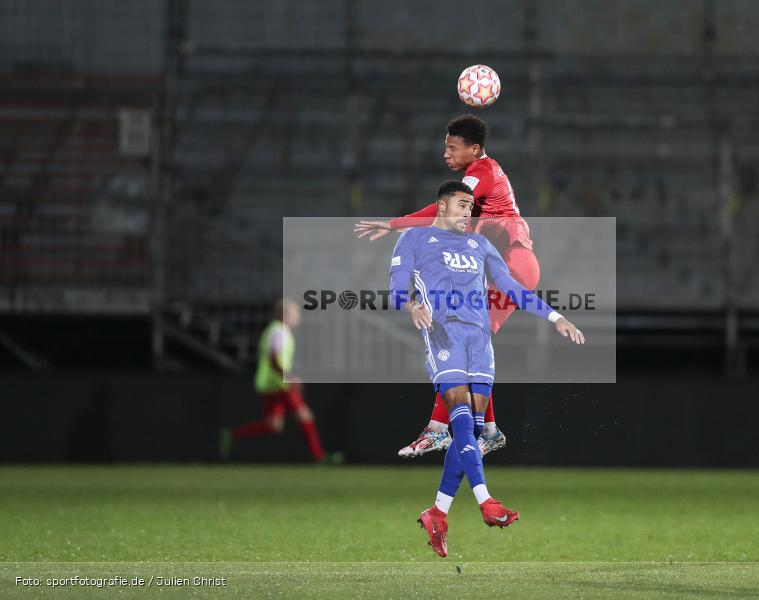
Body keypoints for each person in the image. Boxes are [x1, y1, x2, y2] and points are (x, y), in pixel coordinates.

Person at [389, 181, 584, 557]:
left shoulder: (479, 245)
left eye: (472, 207)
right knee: (461, 416)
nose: (469, 213)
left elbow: (510, 284)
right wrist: (413, 306)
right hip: (443, 334)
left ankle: (437, 513)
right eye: (462, 205)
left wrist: (554, 316)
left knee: (473, 431)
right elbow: (397, 287)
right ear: (442, 206)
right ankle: (486, 501)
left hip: (479, 342)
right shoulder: (414, 240)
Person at [356, 114, 540, 457]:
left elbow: (444, 211)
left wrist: (396, 224)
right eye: (445, 147)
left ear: (474, 149)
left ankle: (439, 430)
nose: (446, 154)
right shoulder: (483, 173)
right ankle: (488, 430)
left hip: (513, 265)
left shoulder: (480, 175)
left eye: (453, 147)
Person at [219, 299, 338, 464]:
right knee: (305, 417)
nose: (298, 318)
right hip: (280, 383)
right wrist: (289, 377)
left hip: (270, 383)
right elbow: (274, 357)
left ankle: (232, 434)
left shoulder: (273, 330)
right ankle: (319, 457)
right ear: (284, 315)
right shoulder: (280, 332)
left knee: (274, 426)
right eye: (295, 314)